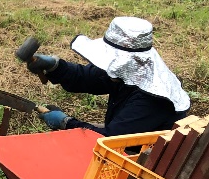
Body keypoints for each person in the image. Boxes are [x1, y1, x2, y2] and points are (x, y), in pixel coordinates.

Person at [25, 17, 190, 137]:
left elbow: (109, 140)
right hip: (126, 143)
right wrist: (54, 67)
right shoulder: (129, 72)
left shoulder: (152, 99)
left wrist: (66, 123)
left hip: (136, 162)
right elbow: (88, 78)